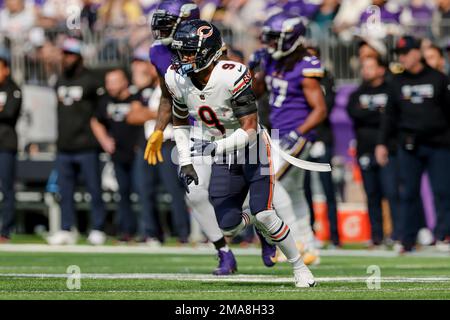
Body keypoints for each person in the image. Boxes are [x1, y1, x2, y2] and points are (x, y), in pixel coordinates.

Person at [169, 18, 316, 287]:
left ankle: (300, 268)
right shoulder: (176, 78)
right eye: (181, 51)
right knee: (228, 225)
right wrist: (187, 160)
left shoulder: (231, 74)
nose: (184, 57)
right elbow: (179, 122)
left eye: (190, 51)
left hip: (253, 150)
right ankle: (259, 226)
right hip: (224, 154)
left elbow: (248, 129)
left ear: (208, 51)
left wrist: (213, 147)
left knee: (266, 213)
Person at [143, 0, 238, 275]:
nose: (160, 28)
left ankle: (267, 230)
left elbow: (234, 87)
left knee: (241, 192)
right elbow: (166, 94)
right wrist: (159, 129)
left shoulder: (211, 43)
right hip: (194, 128)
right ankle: (224, 252)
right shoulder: (158, 51)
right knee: (195, 193)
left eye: (167, 22)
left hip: (226, 126)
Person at [250, 12, 327, 265]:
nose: (269, 44)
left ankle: (296, 241)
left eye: (274, 38)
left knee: (270, 183)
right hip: (278, 132)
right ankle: (310, 246)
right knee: (292, 190)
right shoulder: (274, 61)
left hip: (297, 132)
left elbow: (320, 109)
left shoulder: (305, 63)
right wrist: (255, 69)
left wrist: (298, 132)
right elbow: (256, 92)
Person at [376, 36, 450, 252]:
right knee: (408, 192)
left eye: (406, 53)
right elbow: (389, 116)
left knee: (443, 191)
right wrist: (381, 144)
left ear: (418, 52)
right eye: (400, 54)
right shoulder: (396, 82)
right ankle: (407, 239)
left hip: (439, 144)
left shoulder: (438, 79)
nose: (403, 58)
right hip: (409, 145)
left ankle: (444, 235)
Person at [126, 47, 191, 245]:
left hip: (169, 143)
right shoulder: (143, 90)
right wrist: (157, 113)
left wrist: (150, 113)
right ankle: (151, 232)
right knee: (144, 189)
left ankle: (183, 234)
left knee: (174, 190)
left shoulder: (173, 85)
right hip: (149, 144)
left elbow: (175, 113)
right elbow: (132, 116)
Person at [46, 38, 107, 246]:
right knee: (65, 191)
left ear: (79, 56)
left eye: (71, 54)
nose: (67, 58)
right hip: (64, 145)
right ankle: (66, 228)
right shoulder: (60, 79)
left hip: (87, 145)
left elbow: (100, 112)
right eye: (64, 54)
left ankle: (98, 227)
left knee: (94, 189)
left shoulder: (92, 80)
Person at [347, 56, 400, 247]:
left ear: (381, 69)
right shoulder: (357, 93)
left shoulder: (390, 90)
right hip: (364, 150)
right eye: (364, 66)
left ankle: (397, 234)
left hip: (387, 149)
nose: (366, 70)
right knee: (372, 194)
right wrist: (377, 112)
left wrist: (370, 113)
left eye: (370, 66)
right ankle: (376, 236)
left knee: (392, 192)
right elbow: (354, 113)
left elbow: (391, 117)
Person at [91, 68, 142, 242]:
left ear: (124, 82)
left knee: (142, 192)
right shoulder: (106, 101)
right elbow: (96, 121)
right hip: (118, 155)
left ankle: (147, 232)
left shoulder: (136, 98)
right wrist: (104, 140)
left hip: (137, 155)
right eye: (108, 82)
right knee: (123, 194)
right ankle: (126, 231)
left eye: (113, 82)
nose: (110, 86)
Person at [303, 45, 340, 248]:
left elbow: (326, 107)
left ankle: (335, 236)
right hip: (305, 138)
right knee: (304, 188)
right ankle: (310, 233)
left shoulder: (325, 77)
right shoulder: (298, 76)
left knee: (328, 189)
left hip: (322, 137)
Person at [0, 54, 21, 243]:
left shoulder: (13, 89)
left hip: (6, 146)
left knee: (6, 189)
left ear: (6, 69)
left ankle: (5, 230)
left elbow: (8, 112)